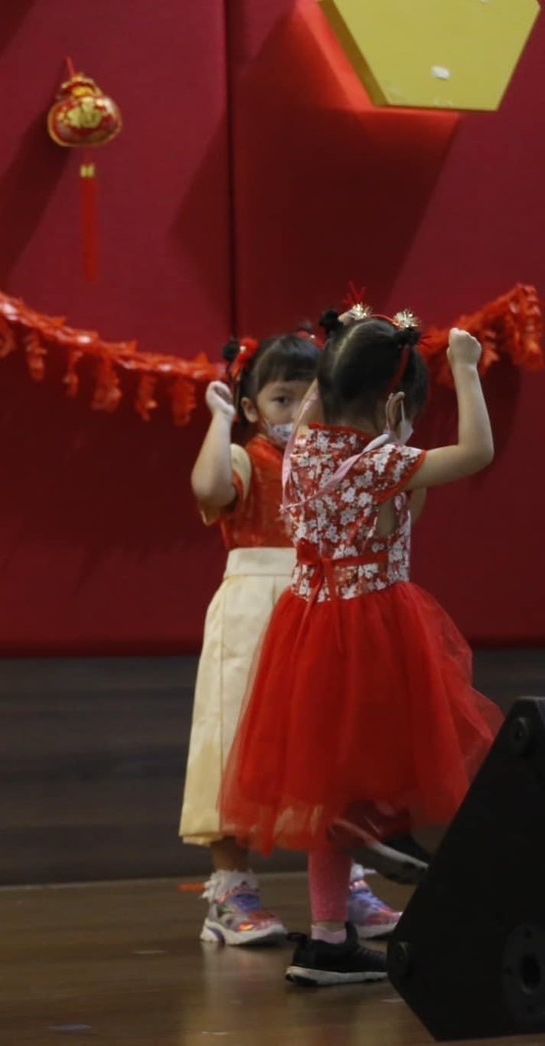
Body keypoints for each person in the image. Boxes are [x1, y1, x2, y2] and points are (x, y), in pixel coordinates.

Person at [221, 307, 503, 986]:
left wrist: (353, 353)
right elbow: (477, 453)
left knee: (331, 783)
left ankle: (328, 940)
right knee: (396, 759)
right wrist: (465, 368)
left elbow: (327, 400)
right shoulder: (381, 462)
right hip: (374, 624)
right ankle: (378, 829)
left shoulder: (300, 447)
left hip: (308, 625)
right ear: (393, 401)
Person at [184, 332, 401, 946]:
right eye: (282, 398)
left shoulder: (339, 462)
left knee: (330, 744)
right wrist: (218, 421)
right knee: (233, 735)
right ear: (252, 408)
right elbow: (209, 490)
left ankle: (343, 886)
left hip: (325, 602)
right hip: (254, 606)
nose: (299, 411)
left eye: (312, 396)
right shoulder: (247, 457)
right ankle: (230, 891)